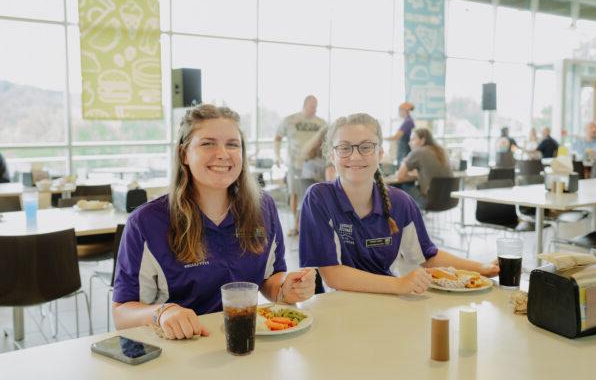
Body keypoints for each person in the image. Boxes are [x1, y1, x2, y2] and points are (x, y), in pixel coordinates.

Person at [113, 104, 316, 340]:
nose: (223, 153)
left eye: (232, 144)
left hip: (246, 343)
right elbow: (122, 314)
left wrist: (286, 288)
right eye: (208, 143)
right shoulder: (147, 222)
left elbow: (269, 280)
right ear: (184, 154)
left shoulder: (264, 208)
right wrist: (162, 312)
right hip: (179, 349)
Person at [299, 113, 499, 296]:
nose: (355, 156)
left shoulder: (400, 202)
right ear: (332, 155)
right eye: (344, 148)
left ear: (379, 153)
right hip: (340, 307)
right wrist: (399, 284)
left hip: (388, 303)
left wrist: (483, 268)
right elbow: (332, 275)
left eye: (366, 147)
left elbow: (427, 256)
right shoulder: (319, 198)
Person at [274, 95, 327, 236]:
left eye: (316, 106)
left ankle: (310, 223)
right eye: (312, 105)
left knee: (312, 193)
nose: (314, 108)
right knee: (295, 193)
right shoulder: (291, 120)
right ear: (305, 105)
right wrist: (277, 156)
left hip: (313, 165)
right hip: (295, 163)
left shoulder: (321, 123)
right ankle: (296, 224)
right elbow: (277, 138)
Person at [392, 128, 453, 208]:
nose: (409, 143)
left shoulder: (418, 152)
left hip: (430, 201)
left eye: (413, 139)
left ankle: (402, 219)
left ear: (422, 140)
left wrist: (406, 160)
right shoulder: (441, 151)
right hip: (449, 200)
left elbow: (399, 176)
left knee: (402, 186)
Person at [385, 102, 415, 167]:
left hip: (405, 150)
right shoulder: (407, 120)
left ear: (404, 111)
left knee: (402, 167)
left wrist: (382, 138)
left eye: (399, 110)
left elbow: (396, 137)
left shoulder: (408, 122)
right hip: (403, 149)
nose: (398, 112)